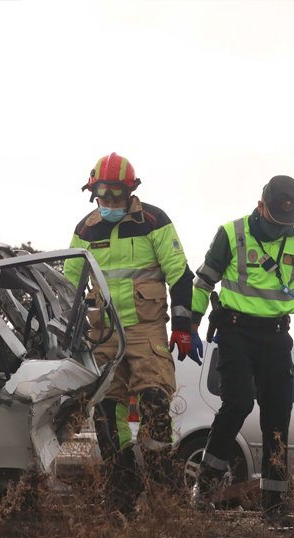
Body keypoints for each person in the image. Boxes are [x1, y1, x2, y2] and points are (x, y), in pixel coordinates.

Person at [64, 152, 199, 516]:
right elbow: (68, 285)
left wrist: (183, 325)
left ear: (130, 191)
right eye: (101, 196)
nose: (108, 203)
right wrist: (68, 335)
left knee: (155, 403)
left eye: (115, 196)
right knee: (107, 412)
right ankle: (123, 488)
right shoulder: (85, 231)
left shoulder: (154, 222)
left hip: (145, 329)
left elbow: (180, 276)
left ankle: (161, 480)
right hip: (103, 333)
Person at [190, 175, 294, 527]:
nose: (280, 227)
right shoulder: (231, 233)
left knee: (278, 413)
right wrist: (189, 323)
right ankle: (204, 486)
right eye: (274, 219)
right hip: (236, 330)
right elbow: (204, 280)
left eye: (287, 221)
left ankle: (274, 505)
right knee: (237, 403)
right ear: (260, 205)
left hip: (276, 335)